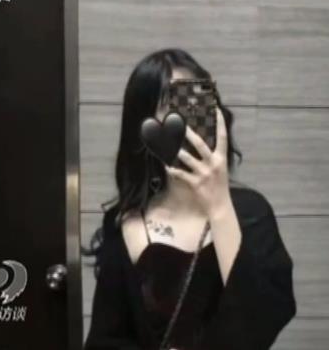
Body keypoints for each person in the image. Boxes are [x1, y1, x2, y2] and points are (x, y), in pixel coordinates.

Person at [83, 48, 297, 350]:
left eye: (195, 103)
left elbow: (263, 323)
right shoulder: (125, 223)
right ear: (146, 130)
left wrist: (218, 205)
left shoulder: (252, 212)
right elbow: (104, 342)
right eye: (169, 108)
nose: (185, 120)